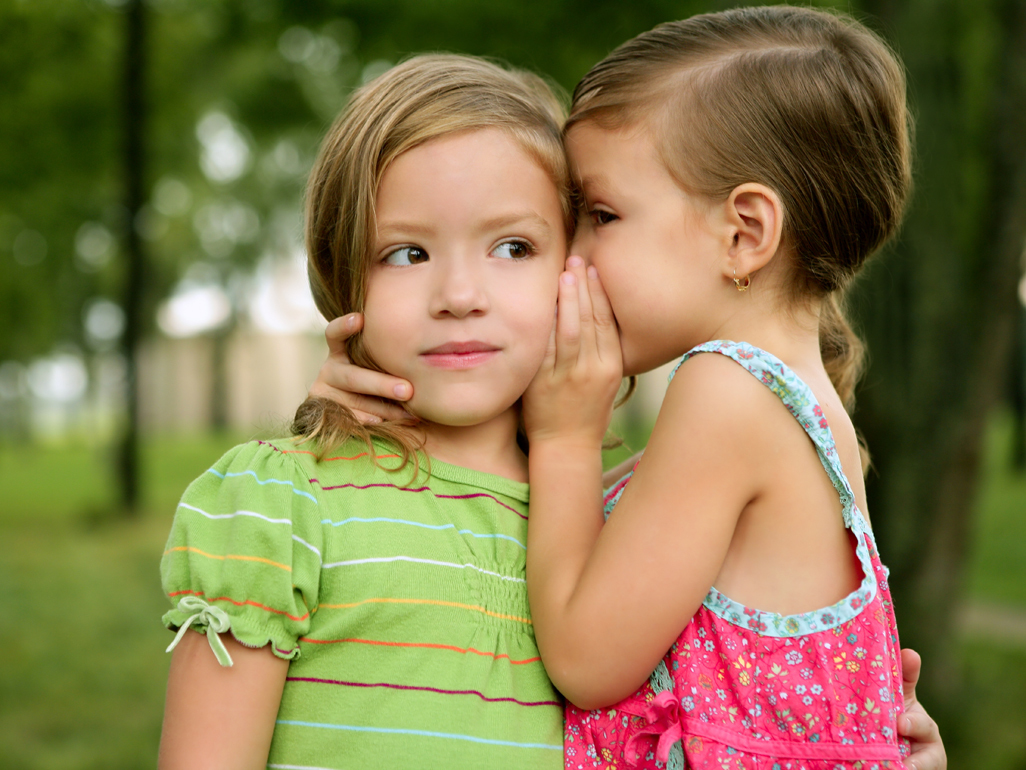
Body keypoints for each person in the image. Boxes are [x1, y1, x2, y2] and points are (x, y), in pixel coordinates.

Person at [308, 7, 948, 770]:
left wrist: (567, 437)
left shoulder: (726, 394)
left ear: (745, 233)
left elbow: (584, 658)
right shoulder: (807, 411)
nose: (572, 256)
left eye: (601, 215)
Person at [157, 54, 574, 769]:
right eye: (407, 253)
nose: (460, 294)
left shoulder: (595, 514)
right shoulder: (281, 501)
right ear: (340, 270)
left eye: (513, 247)